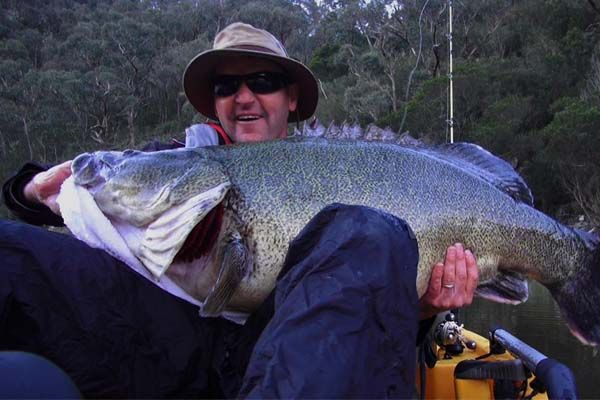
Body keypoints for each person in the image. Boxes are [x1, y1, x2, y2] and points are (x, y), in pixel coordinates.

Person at [0, 22, 478, 398]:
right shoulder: (182, 160)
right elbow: (102, 193)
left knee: (371, 233)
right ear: (215, 103)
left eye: (264, 81)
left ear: (292, 99)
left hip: (285, 357)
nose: (244, 97)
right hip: (165, 347)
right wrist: (30, 191)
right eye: (227, 86)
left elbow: (364, 326)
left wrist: (419, 310)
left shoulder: (340, 169)